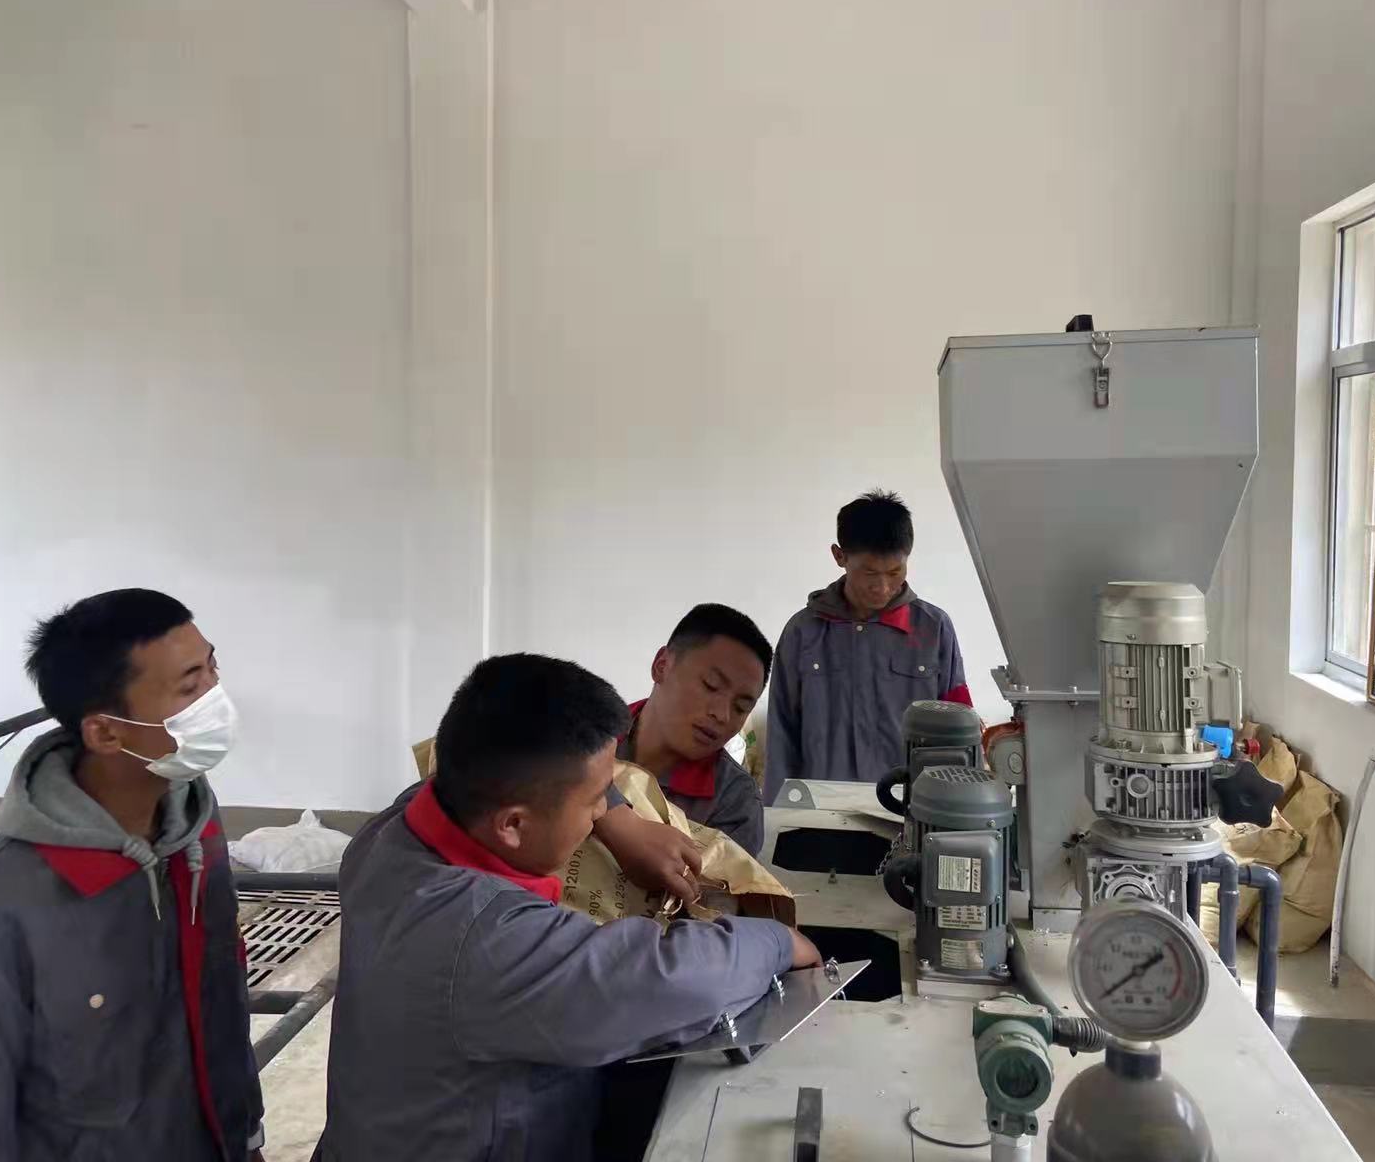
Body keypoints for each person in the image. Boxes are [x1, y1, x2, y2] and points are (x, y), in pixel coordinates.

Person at [317, 653, 820, 1162]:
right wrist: (777, 942)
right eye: (595, 800)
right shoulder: (480, 938)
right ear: (513, 825)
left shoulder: (391, 834)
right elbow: (663, 978)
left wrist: (620, 821)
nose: (602, 811)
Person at [0, 589, 265, 1162]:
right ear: (106, 733)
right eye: (189, 687)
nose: (216, 696)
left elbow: (220, 1012)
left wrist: (246, 1139)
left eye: (212, 667)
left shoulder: (195, 829)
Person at [766, 490, 970, 803]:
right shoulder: (803, 632)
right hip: (821, 807)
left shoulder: (934, 629)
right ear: (840, 556)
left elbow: (959, 728)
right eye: (870, 573)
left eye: (895, 572)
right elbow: (781, 732)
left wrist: (959, 809)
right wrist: (777, 814)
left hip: (911, 806)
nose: (883, 587)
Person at [616, 603, 772, 855]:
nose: (722, 715)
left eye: (741, 707)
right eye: (710, 686)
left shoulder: (735, 801)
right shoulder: (582, 738)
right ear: (662, 666)